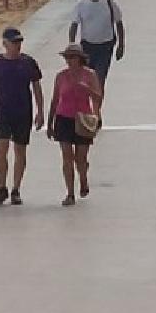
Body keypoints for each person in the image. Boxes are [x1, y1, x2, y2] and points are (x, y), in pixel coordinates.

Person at [0, 28, 44, 206]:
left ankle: (16, 189)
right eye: (13, 42)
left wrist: (40, 111)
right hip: (3, 111)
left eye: (19, 42)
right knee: (2, 148)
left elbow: (37, 88)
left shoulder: (28, 62)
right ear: (5, 44)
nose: (17, 46)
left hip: (22, 111)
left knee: (20, 150)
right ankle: (2, 186)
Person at [46, 44, 103, 207]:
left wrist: (88, 90)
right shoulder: (61, 76)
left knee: (81, 158)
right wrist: (50, 123)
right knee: (66, 157)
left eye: (73, 57)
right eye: (67, 57)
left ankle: (83, 178)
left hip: (83, 118)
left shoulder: (90, 75)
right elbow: (55, 99)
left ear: (80, 59)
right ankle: (70, 192)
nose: (70, 60)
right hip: (64, 118)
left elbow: (98, 98)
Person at [68, 0, 125, 88]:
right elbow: (74, 25)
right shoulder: (81, 4)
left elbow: (118, 23)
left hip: (105, 47)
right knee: (85, 79)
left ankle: (96, 105)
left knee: (99, 79)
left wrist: (121, 45)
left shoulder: (109, 2)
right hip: (87, 47)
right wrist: (72, 46)